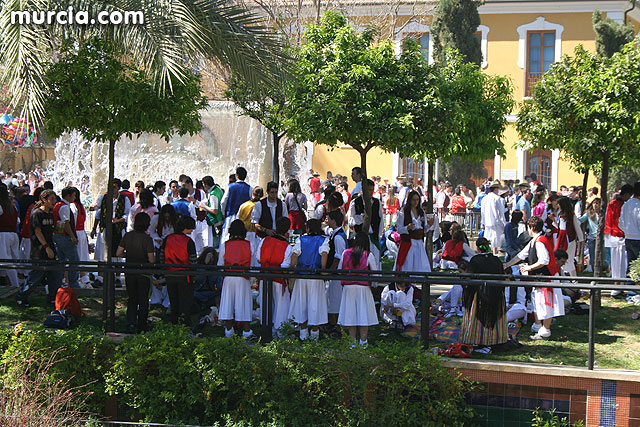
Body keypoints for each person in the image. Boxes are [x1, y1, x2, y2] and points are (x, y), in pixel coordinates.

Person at [505, 216, 564, 340]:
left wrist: (529, 268)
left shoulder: (539, 241)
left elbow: (544, 260)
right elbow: (521, 256)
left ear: (531, 227)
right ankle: (538, 325)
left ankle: (545, 330)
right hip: (540, 278)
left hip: (547, 277)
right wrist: (506, 265)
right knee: (537, 301)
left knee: (546, 304)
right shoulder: (535, 240)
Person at [16, 190, 63, 307]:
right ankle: (21, 296)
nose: (54, 201)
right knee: (35, 276)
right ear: (44, 200)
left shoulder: (50, 213)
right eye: (51, 199)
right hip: (39, 249)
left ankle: (52, 297)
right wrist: (46, 247)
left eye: (54, 199)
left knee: (55, 275)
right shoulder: (37, 213)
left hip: (51, 247)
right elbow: (37, 232)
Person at [460, 245, 508, 348]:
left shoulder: (475, 260)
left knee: (479, 314)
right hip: (496, 294)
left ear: (477, 248)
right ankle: (497, 338)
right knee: (494, 314)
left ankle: (477, 339)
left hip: (479, 294)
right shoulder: (496, 260)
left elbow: (471, 278)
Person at [288, 219, 329, 340]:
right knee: (315, 304)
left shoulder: (301, 239)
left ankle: (303, 333)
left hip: (301, 276)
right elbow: (324, 253)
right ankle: (315, 334)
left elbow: (295, 254)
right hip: (315, 276)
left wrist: (292, 268)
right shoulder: (324, 240)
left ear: (308, 228)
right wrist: (323, 268)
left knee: (302, 303)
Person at [116, 212, 156, 333]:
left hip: (129, 271)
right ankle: (142, 325)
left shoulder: (127, 236)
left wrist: (128, 255)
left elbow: (118, 253)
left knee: (132, 299)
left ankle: (131, 324)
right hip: (143, 272)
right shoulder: (147, 239)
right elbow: (151, 259)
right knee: (143, 299)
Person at [218, 219, 257, 341]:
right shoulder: (249, 245)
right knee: (245, 303)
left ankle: (229, 331)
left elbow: (220, 265)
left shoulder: (225, 245)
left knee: (227, 302)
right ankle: (246, 331)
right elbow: (253, 264)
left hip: (229, 277)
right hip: (243, 277)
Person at [338, 231, 379, 348]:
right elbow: (375, 274)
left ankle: (352, 342)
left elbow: (339, 268)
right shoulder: (368, 254)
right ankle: (363, 342)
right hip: (363, 288)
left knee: (351, 314)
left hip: (348, 287)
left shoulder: (345, 253)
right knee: (363, 314)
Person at [159, 215, 198, 326]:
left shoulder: (167, 239)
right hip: (185, 275)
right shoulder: (188, 241)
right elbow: (193, 261)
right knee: (185, 302)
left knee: (173, 300)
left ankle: (174, 322)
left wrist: (164, 271)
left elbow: (162, 257)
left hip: (170, 274)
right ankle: (185, 323)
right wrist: (194, 277)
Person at [256, 216, 293, 335]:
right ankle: (279, 331)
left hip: (264, 278)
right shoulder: (287, 246)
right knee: (281, 306)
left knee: (266, 303)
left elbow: (258, 259)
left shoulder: (264, 240)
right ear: (287, 230)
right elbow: (285, 266)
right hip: (278, 278)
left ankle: (266, 328)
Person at [605, 184, 633, 298]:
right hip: (620, 236)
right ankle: (617, 288)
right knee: (622, 264)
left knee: (616, 264)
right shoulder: (623, 206)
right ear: (626, 194)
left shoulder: (612, 204)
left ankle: (616, 287)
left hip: (612, 235)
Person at [348, 179, 384, 265]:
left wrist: (376, 235)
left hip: (373, 237)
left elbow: (381, 220)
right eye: (368, 189)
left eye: (372, 189)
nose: (370, 192)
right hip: (360, 239)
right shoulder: (355, 202)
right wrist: (361, 218)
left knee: (374, 262)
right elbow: (350, 219)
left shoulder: (376, 202)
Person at [52, 187, 81, 288]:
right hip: (64, 236)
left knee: (61, 260)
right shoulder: (64, 207)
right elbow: (66, 223)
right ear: (68, 196)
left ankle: (58, 282)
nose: (74, 197)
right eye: (73, 195)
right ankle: (74, 283)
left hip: (58, 235)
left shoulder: (58, 205)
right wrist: (73, 237)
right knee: (74, 260)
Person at [324, 210, 347, 336]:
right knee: (331, 299)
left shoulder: (338, 237)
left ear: (334, 220)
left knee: (334, 301)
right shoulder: (336, 233)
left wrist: (331, 272)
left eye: (329, 218)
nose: (327, 221)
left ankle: (336, 326)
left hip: (337, 274)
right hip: (335, 274)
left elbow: (338, 256)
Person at [554, 196, 584, 276]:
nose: (558, 205)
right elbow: (560, 227)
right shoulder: (560, 214)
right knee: (559, 258)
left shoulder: (571, 215)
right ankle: (563, 277)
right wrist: (553, 221)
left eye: (559, 204)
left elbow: (577, 226)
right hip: (561, 237)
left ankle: (574, 280)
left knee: (569, 259)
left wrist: (581, 240)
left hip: (569, 239)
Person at [221, 166, 252, 242]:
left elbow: (223, 202)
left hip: (230, 216)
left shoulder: (230, 187)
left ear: (237, 175)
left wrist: (223, 213)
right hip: (243, 218)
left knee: (227, 238)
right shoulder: (250, 188)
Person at [69, 187, 91, 287]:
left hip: (76, 232)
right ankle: (84, 278)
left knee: (76, 255)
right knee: (82, 255)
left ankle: (77, 278)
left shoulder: (73, 206)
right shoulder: (81, 206)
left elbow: (73, 221)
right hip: (82, 232)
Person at [0, 183, 20, 287]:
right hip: (13, 234)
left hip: (3, 234)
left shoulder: (1, 206)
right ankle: (4, 281)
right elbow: (17, 221)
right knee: (10, 259)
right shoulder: (12, 207)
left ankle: (15, 285)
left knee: (6, 261)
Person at [620, 181, 640, 274]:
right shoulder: (638, 205)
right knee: (637, 265)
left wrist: (627, 231)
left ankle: (630, 285)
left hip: (628, 237)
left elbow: (620, 223)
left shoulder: (626, 204)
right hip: (638, 238)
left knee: (631, 265)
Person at [481, 182, 506, 255]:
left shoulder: (484, 198)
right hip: (496, 221)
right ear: (495, 189)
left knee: (489, 237)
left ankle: (488, 252)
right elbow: (500, 212)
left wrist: (482, 222)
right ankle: (495, 253)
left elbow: (482, 211)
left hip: (487, 221)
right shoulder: (497, 198)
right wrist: (503, 222)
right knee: (496, 238)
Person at [237, 187, 263, 254]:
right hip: (256, 233)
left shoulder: (243, 205)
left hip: (245, 233)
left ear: (252, 193)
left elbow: (238, 218)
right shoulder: (261, 205)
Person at [201, 176, 224, 248]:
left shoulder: (213, 194)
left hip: (215, 221)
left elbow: (214, 210)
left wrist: (204, 206)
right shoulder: (219, 189)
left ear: (206, 184)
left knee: (215, 244)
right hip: (220, 219)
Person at [578, 197, 601, 271]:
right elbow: (580, 220)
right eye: (594, 203)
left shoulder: (603, 213)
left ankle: (605, 269)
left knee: (602, 258)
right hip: (592, 238)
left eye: (597, 203)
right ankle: (595, 273)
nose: (595, 205)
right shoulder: (589, 213)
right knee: (592, 259)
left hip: (601, 238)